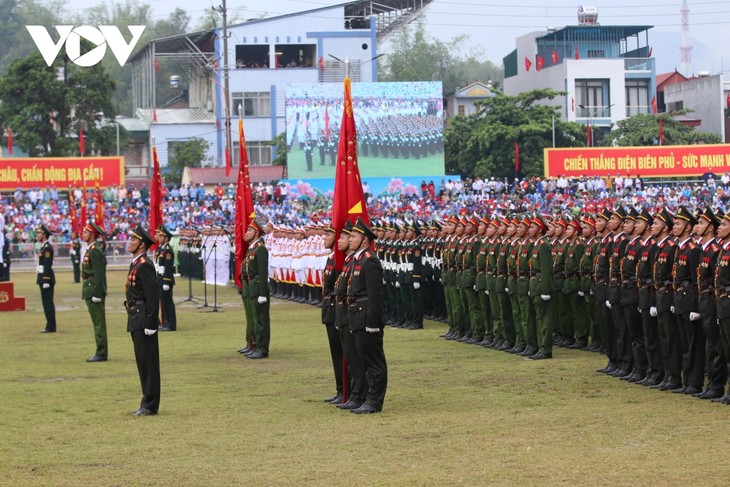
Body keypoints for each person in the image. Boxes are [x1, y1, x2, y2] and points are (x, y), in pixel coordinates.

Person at [346, 218, 388, 414]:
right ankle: (367, 398)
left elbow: (375, 294)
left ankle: (375, 401)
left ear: (364, 240)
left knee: (374, 361)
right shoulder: (358, 259)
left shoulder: (370, 260)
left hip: (367, 318)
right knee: (363, 360)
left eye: (354, 236)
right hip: (357, 316)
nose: (350, 239)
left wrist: (373, 322)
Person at [125, 224, 161, 416]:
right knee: (142, 361)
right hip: (135, 316)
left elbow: (152, 296)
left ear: (141, 244)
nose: (129, 242)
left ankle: (150, 404)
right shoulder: (136, 263)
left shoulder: (145, 265)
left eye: (133, 240)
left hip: (143, 317)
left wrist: (151, 323)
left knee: (148, 362)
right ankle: (146, 401)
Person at [320, 222, 344, 404]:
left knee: (342, 353)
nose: (325, 238)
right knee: (335, 354)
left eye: (328, 235)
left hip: (337, 311)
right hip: (329, 310)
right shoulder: (331, 258)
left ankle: (346, 390)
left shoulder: (339, 260)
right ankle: (340, 389)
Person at [241, 219, 270, 359]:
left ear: (257, 233)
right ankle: (256, 345)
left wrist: (263, 293)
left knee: (261, 319)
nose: (246, 233)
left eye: (250, 230)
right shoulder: (252, 248)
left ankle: (262, 348)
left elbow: (263, 272)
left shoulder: (260, 249)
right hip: (252, 287)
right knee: (254, 317)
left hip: (258, 288)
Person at [82, 222, 108, 362]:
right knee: (96, 322)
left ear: (92, 235)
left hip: (93, 289)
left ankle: (101, 352)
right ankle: (100, 350)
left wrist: (98, 293)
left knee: (99, 323)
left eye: (85, 232)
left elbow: (99, 274)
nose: (83, 234)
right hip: (89, 288)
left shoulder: (95, 251)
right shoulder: (90, 249)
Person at [155, 225, 177, 331]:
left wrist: (166, 282)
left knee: (168, 303)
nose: (158, 238)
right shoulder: (161, 249)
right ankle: (166, 322)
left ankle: (171, 324)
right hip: (160, 278)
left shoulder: (168, 250)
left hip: (165, 280)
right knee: (163, 303)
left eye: (160, 236)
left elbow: (168, 267)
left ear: (166, 238)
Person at [37, 224, 57, 333]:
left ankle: (51, 326)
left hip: (47, 279)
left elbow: (47, 264)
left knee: (48, 303)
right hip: (43, 277)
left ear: (44, 235)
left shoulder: (47, 247)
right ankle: (49, 325)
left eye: (39, 233)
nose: (37, 235)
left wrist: (45, 279)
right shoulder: (43, 247)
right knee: (46, 303)